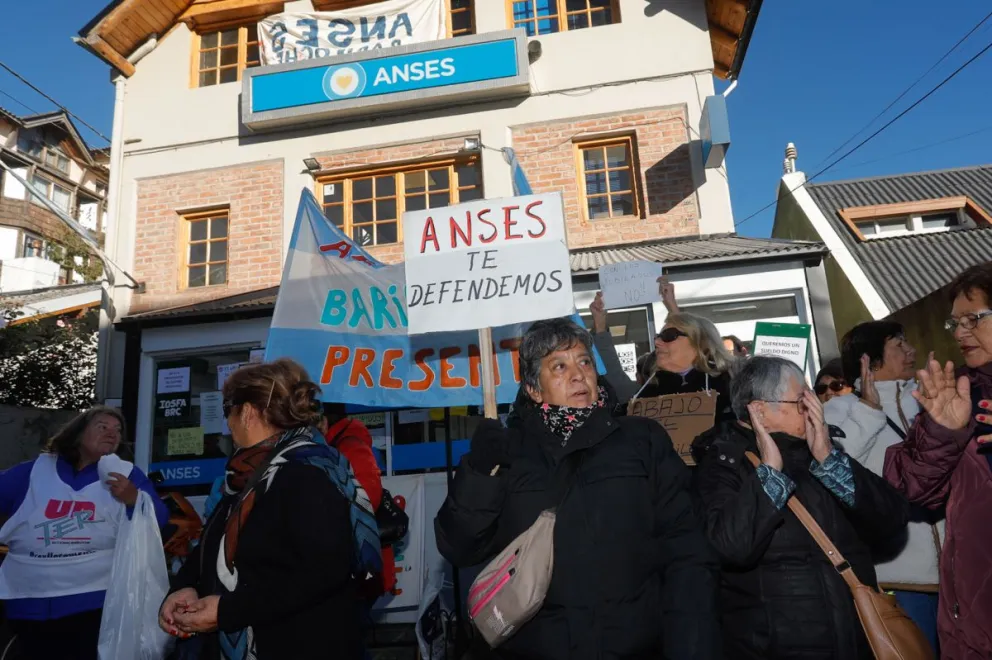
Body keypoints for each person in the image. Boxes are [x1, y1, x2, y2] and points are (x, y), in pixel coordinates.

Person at [435, 317, 720, 659]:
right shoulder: (508, 452)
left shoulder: (641, 439)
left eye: (584, 361)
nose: (577, 374)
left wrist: (691, 643)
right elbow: (459, 546)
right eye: (559, 366)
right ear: (533, 389)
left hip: (636, 645)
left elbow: (686, 548)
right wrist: (480, 471)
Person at [691, 356, 909, 659]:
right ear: (760, 411)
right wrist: (770, 472)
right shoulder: (724, 463)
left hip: (858, 640)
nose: (816, 406)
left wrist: (828, 459)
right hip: (774, 647)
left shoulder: (822, 448)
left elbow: (893, 519)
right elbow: (730, 546)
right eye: (802, 399)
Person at [160, 359, 368, 660]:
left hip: (300, 644)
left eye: (226, 411)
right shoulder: (247, 476)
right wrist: (186, 586)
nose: (227, 424)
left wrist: (227, 610)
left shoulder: (304, 472)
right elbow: (214, 544)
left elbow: (322, 571)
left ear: (246, 412)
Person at [884, 262, 992, 659]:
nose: (961, 332)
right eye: (955, 323)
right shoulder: (954, 393)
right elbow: (908, 490)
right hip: (978, 615)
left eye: (973, 319)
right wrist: (943, 433)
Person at [0, 406, 168, 660]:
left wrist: (135, 499)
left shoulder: (127, 474)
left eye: (117, 430)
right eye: (102, 427)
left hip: (93, 602)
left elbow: (159, 520)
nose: (112, 433)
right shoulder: (33, 472)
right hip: (28, 601)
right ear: (77, 434)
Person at [824, 321, 940, 651]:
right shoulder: (840, 409)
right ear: (870, 360)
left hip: (957, 576)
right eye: (898, 345)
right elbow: (835, 469)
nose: (911, 351)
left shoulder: (927, 399)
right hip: (895, 578)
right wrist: (869, 412)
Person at [318, 403, 397, 598]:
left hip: (358, 561)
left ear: (324, 420)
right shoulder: (335, 445)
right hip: (351, 561)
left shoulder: (350, 446)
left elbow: (368, 501)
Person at [588, 275, 679, 402]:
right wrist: (672, 305)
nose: (657, 341)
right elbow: (686, 344)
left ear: (639, 378)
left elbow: (612, 372)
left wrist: (600, 323)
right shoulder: (701, 388)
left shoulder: (636, 400)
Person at [638, 312, 736, 421]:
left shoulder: (731, 386)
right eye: (657, 337)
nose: (657, 342)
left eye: (669, 336)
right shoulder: (650, 390)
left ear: (700, 342)